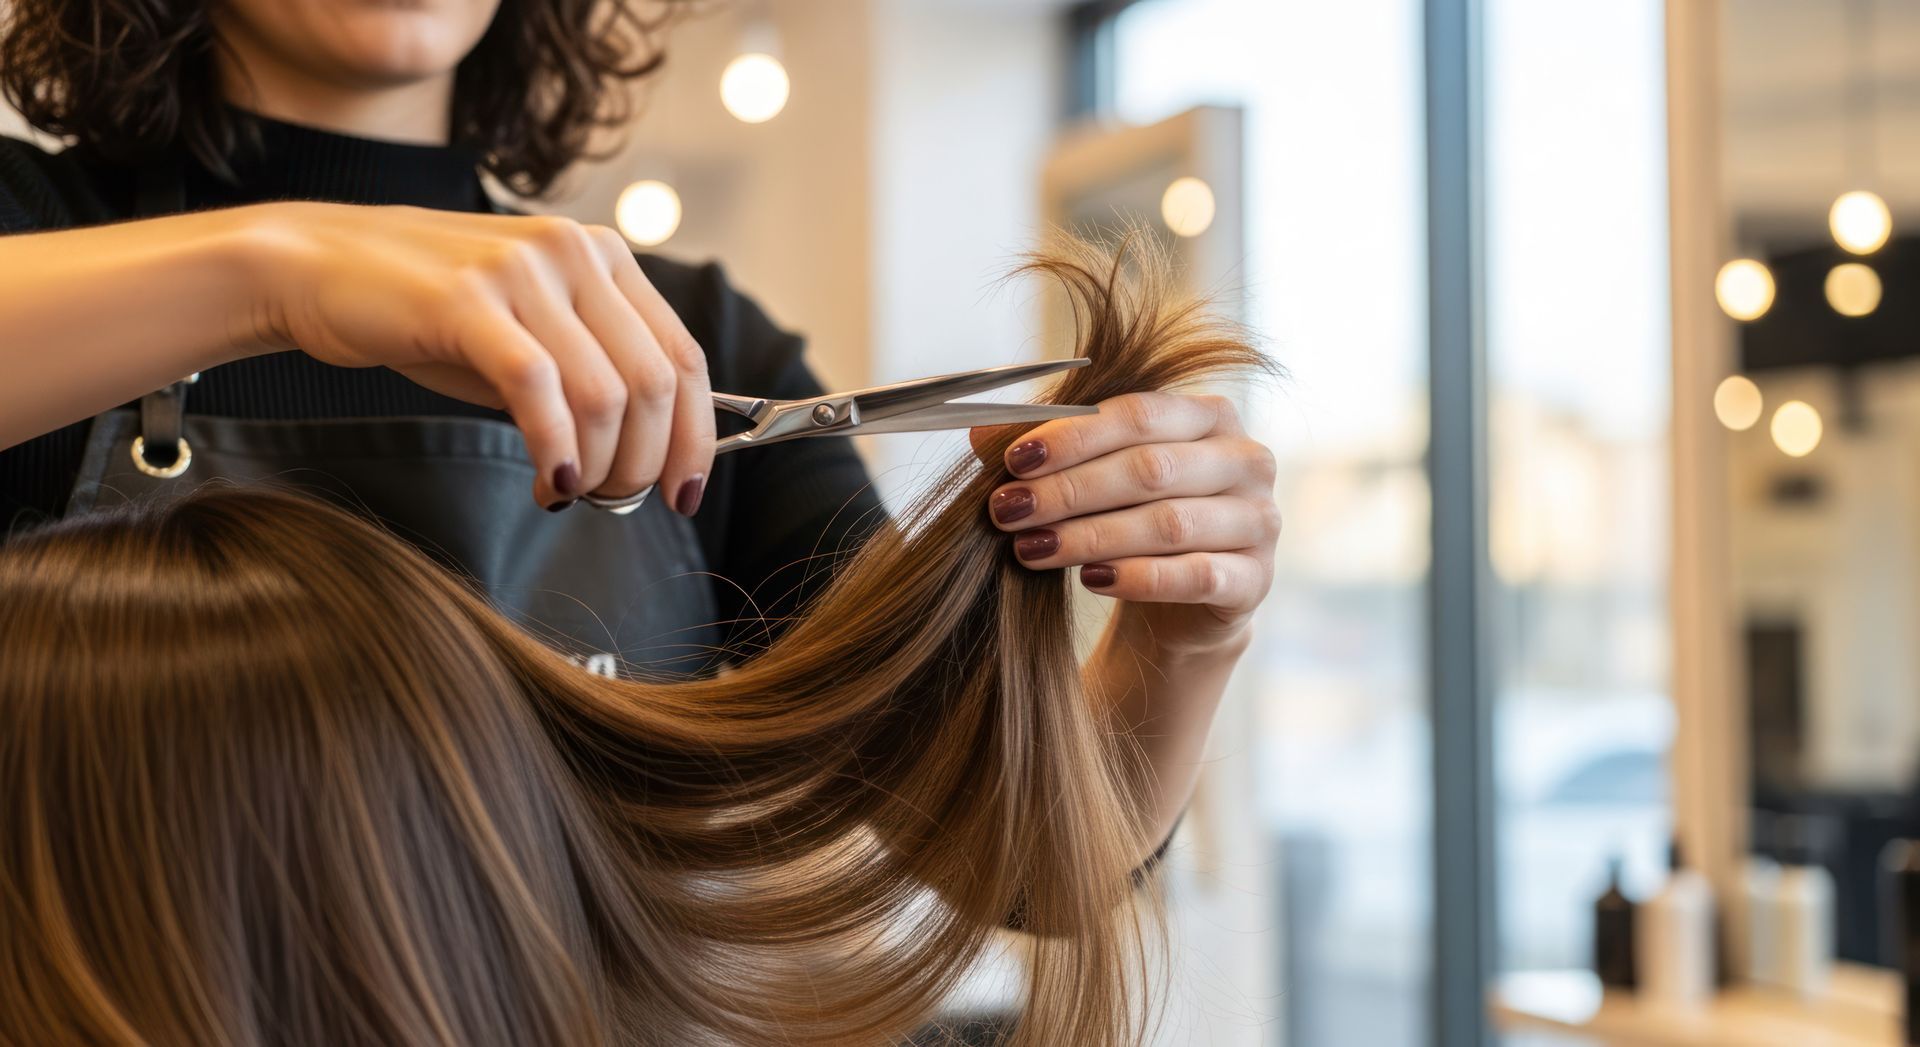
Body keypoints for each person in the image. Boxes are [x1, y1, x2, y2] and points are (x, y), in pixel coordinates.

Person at [0, 0, 1278, 892]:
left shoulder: (692, 346)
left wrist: (1187, 637)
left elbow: (1011, 857)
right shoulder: (39, 242)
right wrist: (268, 270)